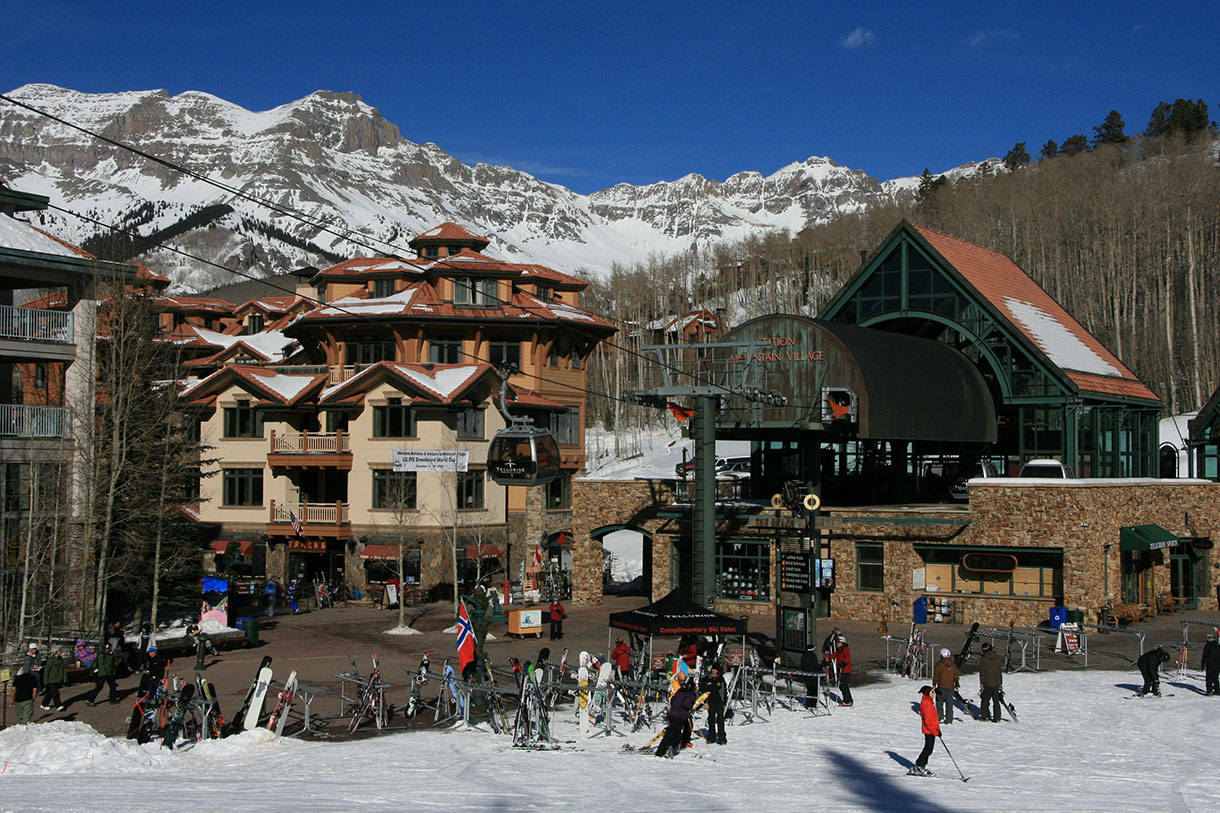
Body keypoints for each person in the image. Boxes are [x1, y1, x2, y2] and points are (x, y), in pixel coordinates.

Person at [655, 673, 697, 758]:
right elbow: (687, 704)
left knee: (677, 734)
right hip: (680, 715)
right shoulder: (690, 694)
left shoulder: (680, 691)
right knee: (672, 733)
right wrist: (692, 705)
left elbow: (673, 700)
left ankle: (667, 748)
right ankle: (661, 751)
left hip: (673, 714)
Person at [912, 685, 940, 776]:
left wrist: (937, 729)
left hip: (932, 730)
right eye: (932, 692)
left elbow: (934, 718)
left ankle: (921, 765)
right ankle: (919, 765)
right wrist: (935, 731)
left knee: (929, 749)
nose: (933, 694)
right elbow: (928, 721)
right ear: (927, 693)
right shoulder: (926, 704)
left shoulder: (929, 702)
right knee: (928, 749)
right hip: (929, 730)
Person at [699, 662, 727, 745]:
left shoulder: (721, 679)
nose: (714, 671)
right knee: (711, 720)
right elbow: (703, 691)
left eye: (716, 670)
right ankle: (711, 737)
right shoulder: (707, 679)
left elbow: (724, 692)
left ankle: (722, 738)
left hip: (719, 702)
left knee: (720, 720)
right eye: (713, 669)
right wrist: (705, 702)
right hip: (710, 702)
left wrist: (724, 703)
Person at [933, 647, 959, 723]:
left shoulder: (939, 664)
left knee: (939, 702)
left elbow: (936, 675)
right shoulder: (953, 665)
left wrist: (934, 684)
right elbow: (956, 675)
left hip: (941, 687)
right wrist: (957, 683)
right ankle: (949, 719)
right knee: (949, 704)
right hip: (950, 687)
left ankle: (940, 716)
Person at [978, 642, 1004, 721]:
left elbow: (982, 672)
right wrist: (1000, 682)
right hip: (996, 682)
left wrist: (981, 683)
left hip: (987, 683)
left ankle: (985, 716)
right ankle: (997, 718)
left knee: (985, 700)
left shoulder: (984, 659)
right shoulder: (997, 658)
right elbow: (1000, 671)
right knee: (996, 701)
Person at [827, 635, 853, 706]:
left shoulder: (845, 649)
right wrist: (829, 657)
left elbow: (847, 657)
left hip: (845, 670)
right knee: (842, 686)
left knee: (843, 685)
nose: (837, 644)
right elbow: (836, 654)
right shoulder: (840, 650)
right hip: (841, 670)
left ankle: (848, 701)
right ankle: (848, 700)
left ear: (842, 643)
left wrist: (843, 663)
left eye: (838, 642)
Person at [41, 646, 68, 712]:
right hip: (51, 679)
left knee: (50, 693)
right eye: (59, 650)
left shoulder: (61, 660)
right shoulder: (51, 660)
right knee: (56, 693)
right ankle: (58, 705)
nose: (60, 651)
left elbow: (63, 670)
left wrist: (64, 678)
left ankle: (44, 704)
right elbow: (47, 671)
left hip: (58, 679)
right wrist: (46, 681)